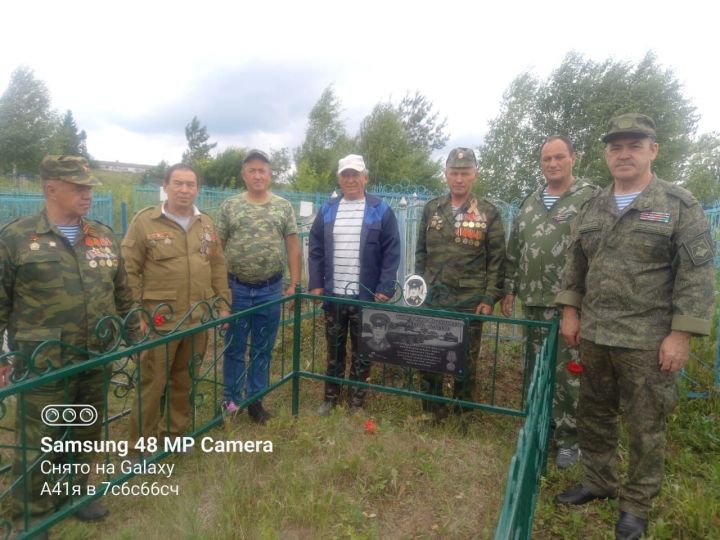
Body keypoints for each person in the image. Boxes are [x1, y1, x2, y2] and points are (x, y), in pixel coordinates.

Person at [554, 114, 714, 540]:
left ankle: (637, 504)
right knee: (593, 413)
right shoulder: (592, 205)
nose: (624, 154)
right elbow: (576, 266)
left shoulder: (678, 205)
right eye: (615, 147)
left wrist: (680, 336)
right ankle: (598, 481)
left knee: (646, 424)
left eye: (634, 145)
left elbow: (696, 277)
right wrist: (571, 312)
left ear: (653, 150)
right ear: (606, 154)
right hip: (596, 334)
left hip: (648, 341)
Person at [0, 155, 137, 528]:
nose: (87, 193)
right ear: (51, 189)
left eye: (89, 186)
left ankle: (76, 493)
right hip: (44, 361)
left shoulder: (103, 236)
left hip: (95, 357)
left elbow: (123, 295)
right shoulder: (15, 237)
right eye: (78, 186)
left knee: (85, 431)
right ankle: (33, 517)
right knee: (40, 440)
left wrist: (136, 339)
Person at [501, 135, 599, 469]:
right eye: (547, 159)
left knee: (570, 373)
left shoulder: (590, 199)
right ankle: (539, 428)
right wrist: (509, 287)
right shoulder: (530, 202)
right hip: (533, 304)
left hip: (571, 306)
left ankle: (570, 441)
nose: (553, 164)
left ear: (574, 158)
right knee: (535, 371)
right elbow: (515, 250)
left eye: (560, 157)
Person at [121, 163, 230, 457]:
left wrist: (222, 304)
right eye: (178, 183)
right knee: (152, 385)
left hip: (197, 317)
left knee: (184, 380)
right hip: (159, 321)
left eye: (190, 184)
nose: (184, 190)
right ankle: (139, 447)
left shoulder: (205, 223)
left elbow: (217, 265)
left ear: (197, 188)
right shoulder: (146, 222)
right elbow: (127, 270)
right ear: (166, 186)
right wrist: (136, 314)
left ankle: (173, 436)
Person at [415, 147, 505, 417]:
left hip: (469, 301)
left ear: (475, 175)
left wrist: (489, 298)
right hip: (433, 296)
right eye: (454, 173)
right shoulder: (432, 208)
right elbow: (420, 252)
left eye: (465, 173)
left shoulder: (488, 212)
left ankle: (462, 414)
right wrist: (418, 289)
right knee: (430, 355)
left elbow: (497, 260)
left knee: (464, 360)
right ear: (446, 174)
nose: (459, 179)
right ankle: (432, 411)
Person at [309, 154, 400, 415]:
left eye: (355, 174)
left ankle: (356, 401)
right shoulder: (328, 209)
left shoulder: (380, 210)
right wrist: (316, 283)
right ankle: (330, 398)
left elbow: (391, 251)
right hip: (334, 295)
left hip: (365, 296)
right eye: (345, 175)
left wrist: (385, 285)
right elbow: (315, 247)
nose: (350, 180)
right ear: (339, 179)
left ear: (365, 177)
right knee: (334, 349)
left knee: (363, 351)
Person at [217, 149, 301, 424]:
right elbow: (218, 249)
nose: (256, 175)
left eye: (261, 170)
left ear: (270, 174)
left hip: (270, 289)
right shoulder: (230, 206)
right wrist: (219, 293)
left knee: (262, 347)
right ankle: (230, 401)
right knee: (234, 347)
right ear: (243, 175)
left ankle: (255, 401)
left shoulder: (283, 206)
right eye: (251, 170)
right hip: (237, 289)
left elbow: (292, 246)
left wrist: (294, 284)